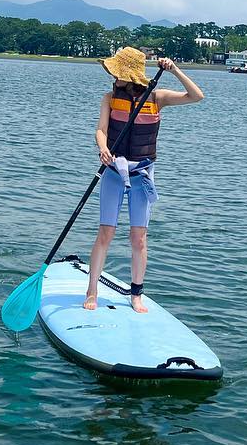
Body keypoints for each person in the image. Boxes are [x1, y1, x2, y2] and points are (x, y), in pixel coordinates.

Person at [84, 47, 205, 313]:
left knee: (138, 238)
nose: (113, 78)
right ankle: (92, 289)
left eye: (117, 73)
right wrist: (102, 147)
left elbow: (196, 96)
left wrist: (174, 70)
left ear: (130, 75)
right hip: (114, 172)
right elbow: (101, 130)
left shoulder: (157, 97)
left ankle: (136, 293)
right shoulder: (109, 98)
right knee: (106, 232)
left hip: (142, 175)